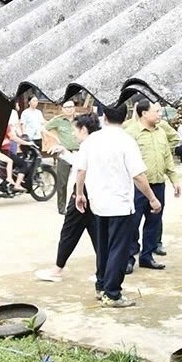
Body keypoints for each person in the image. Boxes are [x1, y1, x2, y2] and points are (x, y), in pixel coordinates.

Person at [75, 104, 160, 309]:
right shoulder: (126, 141)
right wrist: (152, 198)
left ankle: (101, 286)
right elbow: (138, 175)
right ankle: (112, 293)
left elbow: (81, 170)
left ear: (104, 116)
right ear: (126, 117)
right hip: (119, 204)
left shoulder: (91, 140)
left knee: (103, 247)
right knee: (118, 249)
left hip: (97, 202)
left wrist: (79, 194)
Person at [34, 112, 100, 283]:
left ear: (84, 130)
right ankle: (103, 271)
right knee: (97, 232)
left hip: (83, 194)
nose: (73, 133)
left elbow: (81, 170)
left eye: (75, 130)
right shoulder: (97, 143)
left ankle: (57, 270)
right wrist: (64, 152)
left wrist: (79, 194)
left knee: (69, 232)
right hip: (94, 195)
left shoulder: (88, 145)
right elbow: (79, 162)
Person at [125, 100, 182, 273]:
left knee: (154, 222)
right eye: (156, 111)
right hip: (137, 185)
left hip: (158, 183)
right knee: (132, 223)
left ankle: (147, 256)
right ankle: (128, 258)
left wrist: (174, 179)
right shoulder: (131, 133)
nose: (159, 114)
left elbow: (167, 157)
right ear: (144, 113)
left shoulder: (161, 132)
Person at [46, 100, 80, 214]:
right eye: (66, 107)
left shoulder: (79, 120)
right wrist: (56, 139)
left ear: (74, 108)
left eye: (71, 107)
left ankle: (77, 206)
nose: (69, 109)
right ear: (62, 109)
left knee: (79, 180)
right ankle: (62, 207)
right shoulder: (58, 120)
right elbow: (44, 128)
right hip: (64, 153)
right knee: (62, 182)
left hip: (78, 152)